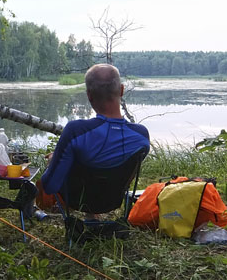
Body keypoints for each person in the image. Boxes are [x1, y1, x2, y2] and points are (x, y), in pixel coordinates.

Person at [39, 64, 150, 212]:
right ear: (122, 90)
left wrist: (54, 160)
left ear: (89, 95)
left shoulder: (75, 131)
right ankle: (94, 217)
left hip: (76, 201)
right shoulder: (141, 136)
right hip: (113, 201)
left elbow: (50, 186)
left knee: (51, 173)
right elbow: (126, 173)